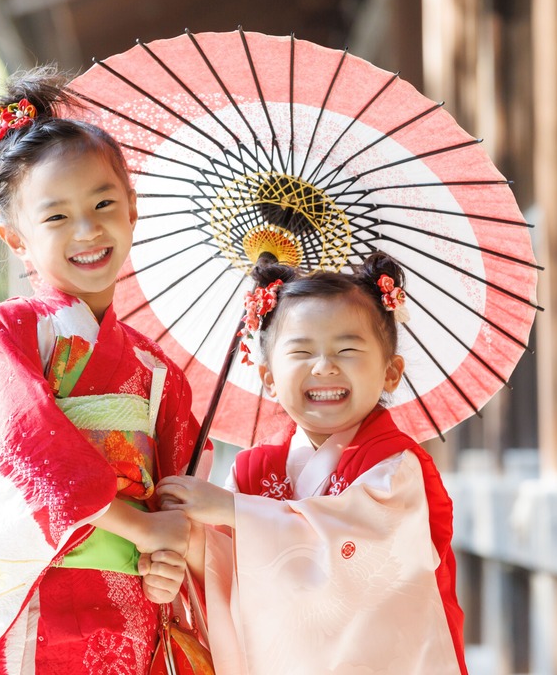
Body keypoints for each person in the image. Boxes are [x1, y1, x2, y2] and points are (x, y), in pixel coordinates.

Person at [0, 67, 205, 675]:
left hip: (126, 609)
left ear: (133, 209)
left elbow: (176, 496)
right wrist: (139, 530)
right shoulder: (13, 332)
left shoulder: (158, 368)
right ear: (16, 240)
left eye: (104, 203)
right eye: (56, 217)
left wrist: (169, 554)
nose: (87, 230)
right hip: (27, 596)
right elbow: (25, 448)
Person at [156, 252, 468, 675]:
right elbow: (225, 572)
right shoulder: (251, 470)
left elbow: (368, 551)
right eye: (302, 351)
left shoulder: (395, 464)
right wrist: (191, 541)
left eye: (348, 348)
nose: (324, 366)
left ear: (391, 373)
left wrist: (231, 511)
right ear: (268, 377)